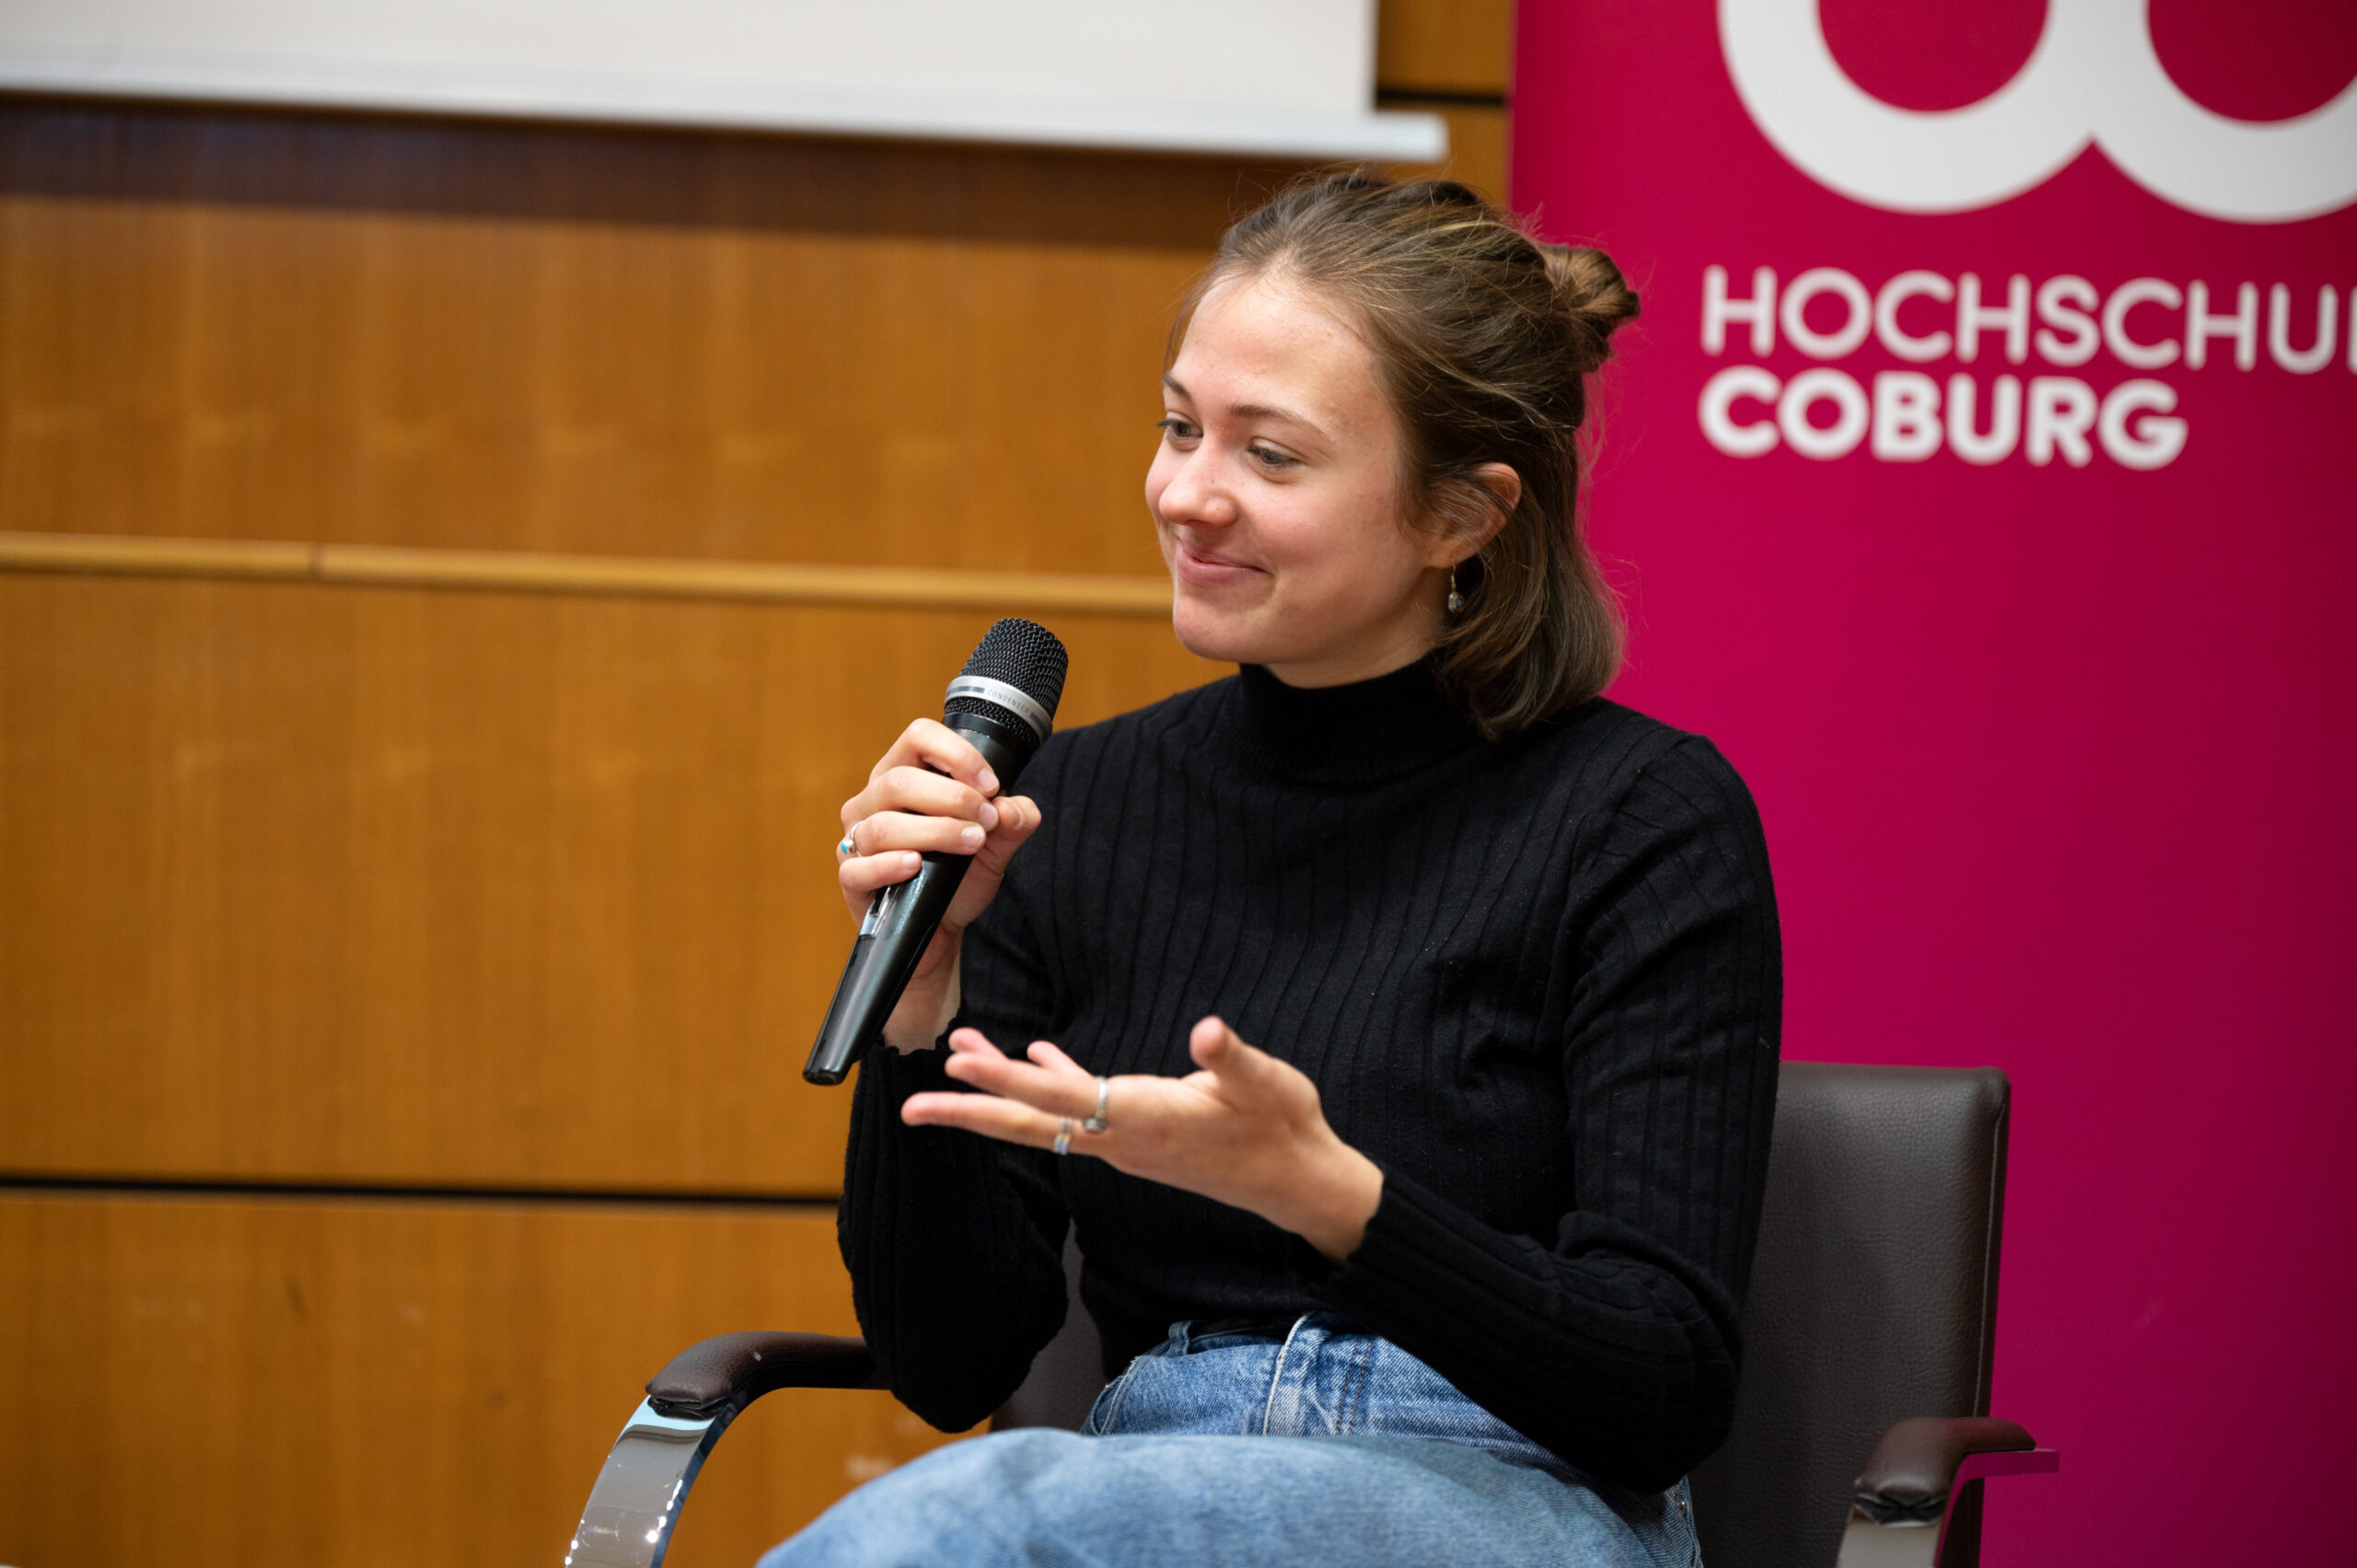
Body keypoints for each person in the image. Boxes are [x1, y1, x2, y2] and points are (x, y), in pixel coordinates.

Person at [765, 171, 1781, 1568]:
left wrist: (1324, 1195)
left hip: (1507, 1494)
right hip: (1148, 1481)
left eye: (1272, 455)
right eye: (1181, 427)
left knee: (956, 1534)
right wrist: (921, 1002)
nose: (1188, 495)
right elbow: (950, 1363)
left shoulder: (1642, 817)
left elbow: (1658, 1387)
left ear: (1463, 517)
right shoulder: (1073, 804)